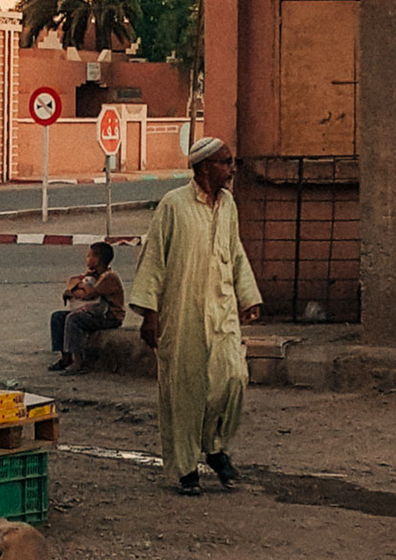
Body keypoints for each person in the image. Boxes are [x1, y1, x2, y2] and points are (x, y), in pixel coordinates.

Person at [131, 137, 263, 496]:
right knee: (185, 392)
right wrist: (149, 314)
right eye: (224, 162)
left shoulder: (229, 206)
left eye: (231, 162)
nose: (231, 169)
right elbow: (155, 259)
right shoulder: (174, 205)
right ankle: (186, 468)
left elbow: (234, 252)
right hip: (182, 313)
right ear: (204, 167)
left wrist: (247, 296)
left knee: (233, 378)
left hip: (221, 311)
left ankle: (214, 444)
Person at [49, 242, 126, 375]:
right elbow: (72, 282)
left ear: (97, 259)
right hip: (94, 312)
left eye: (89, 256)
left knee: (74, 319)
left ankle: (78, 361)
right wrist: (83, 279)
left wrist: (74, 290)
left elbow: (89, 294)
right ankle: (65, 357)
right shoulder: (93, 275)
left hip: (110, 317)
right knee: (58, 317)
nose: (87, 259)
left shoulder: (109, 277)